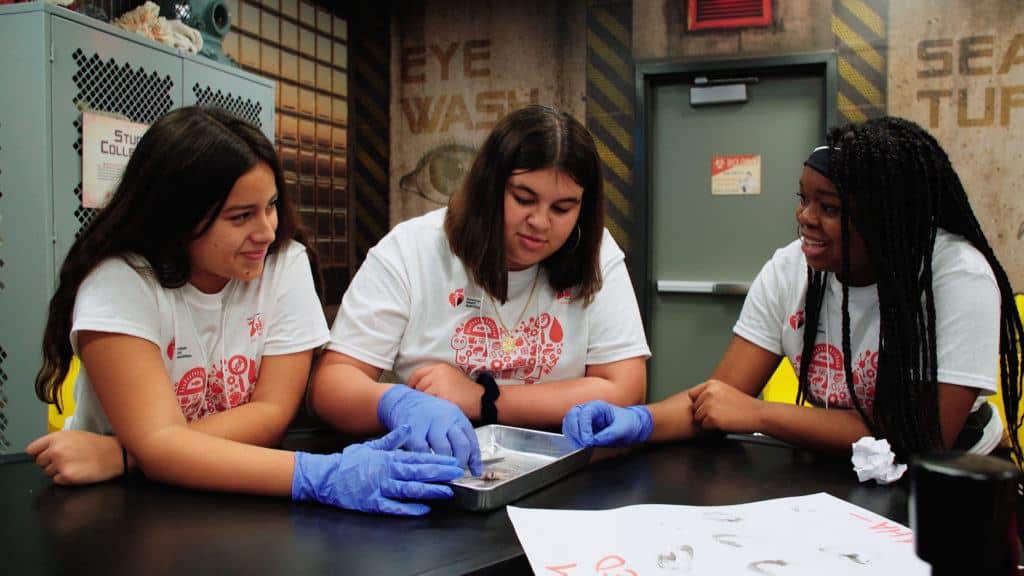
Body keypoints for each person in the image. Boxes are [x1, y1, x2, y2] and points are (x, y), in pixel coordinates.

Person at [27, 107, 464, 516]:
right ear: (175, 217)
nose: (267, 230)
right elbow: (161, 446)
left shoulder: (283, 262)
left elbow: (271, 414)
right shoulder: (121, 282)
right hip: (120, 505)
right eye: (240, 217)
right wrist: (316, 476)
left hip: (215, 488)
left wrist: (127, 454)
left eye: (271, 206)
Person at [563, 116, 1024, 465]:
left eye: (829, 206)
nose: (805, 218)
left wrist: (763, 415)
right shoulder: (792, 269)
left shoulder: (957, 276)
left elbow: (924, 435)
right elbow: (719, 399)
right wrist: (638, 423)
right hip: (836, 467)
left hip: (952, 476)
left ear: (887, 218)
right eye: (803, 200)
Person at [310, 105, 650, 470]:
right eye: (523, 199)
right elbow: (332, 387)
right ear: (489, 185)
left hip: (560, 472)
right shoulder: (413, 250)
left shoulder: (595, 252)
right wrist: (396, 403)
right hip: (436, 467)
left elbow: (624, 390)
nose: (539, 222)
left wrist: (481, 399)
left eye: (563, 208)